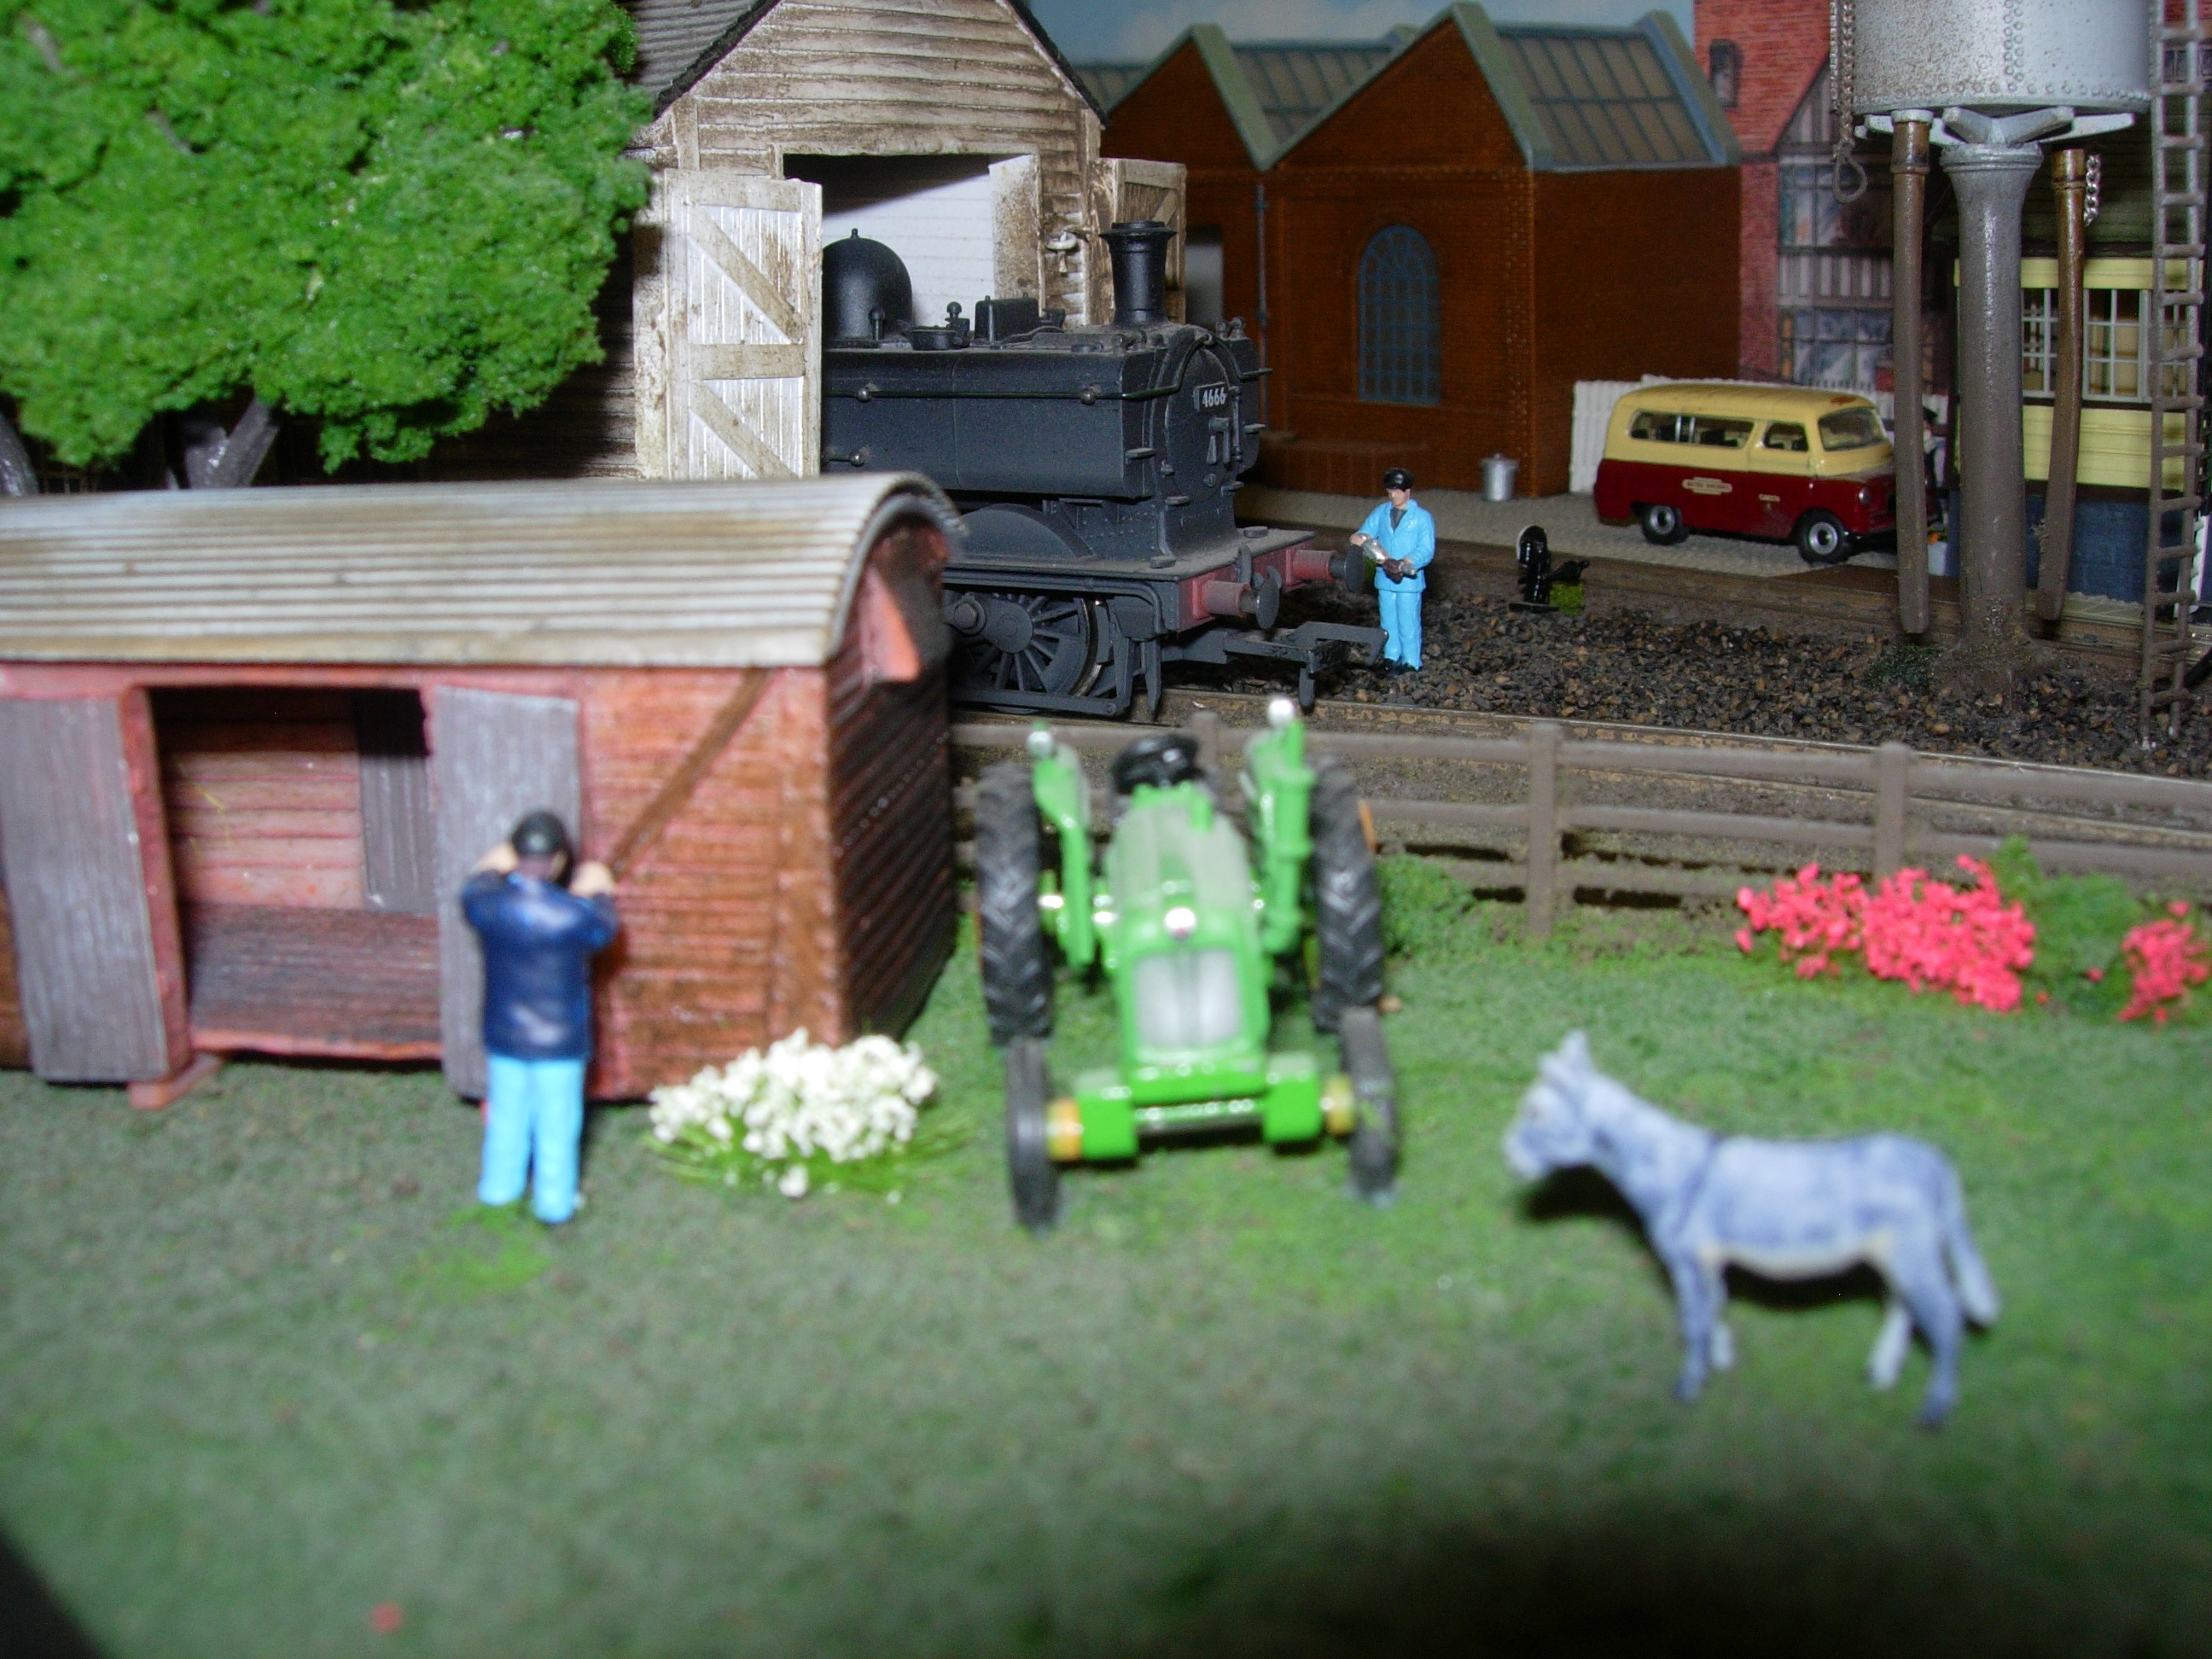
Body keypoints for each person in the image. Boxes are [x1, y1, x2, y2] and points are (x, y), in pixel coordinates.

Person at [461, 810, 619, 1225]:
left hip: (506, 1036)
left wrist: (491, 865)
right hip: (559, 1043)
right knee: (557, 1126)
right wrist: (598, 891)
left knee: (506, 1118)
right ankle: (554, 1202)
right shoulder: (573, 915)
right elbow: (604, 928)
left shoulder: (488, 906)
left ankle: (499, 1190)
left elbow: (472, 888)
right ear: (560, 860)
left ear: (515, 855)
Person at [1349, 466, 1435, 672]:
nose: (1392, 495)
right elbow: (1362, 533)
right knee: (1388, 622)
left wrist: (1405, 562)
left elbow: (1426, 549)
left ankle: (1411, 661)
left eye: (1396, 491)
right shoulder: (1381, 513)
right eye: (1390, 491)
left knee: (1408, 622)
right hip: (1385, 578)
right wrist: (1364, 542)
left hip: (1408, 582)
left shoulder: (1422, 518)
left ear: (1407, 491)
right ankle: (1391, 656)